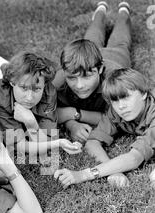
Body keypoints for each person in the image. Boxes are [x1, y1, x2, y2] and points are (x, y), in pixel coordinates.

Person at [54, 68, 155, 188]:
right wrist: (114, 170)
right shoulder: (116, 111)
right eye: (115, 100)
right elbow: (92, 142)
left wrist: (82, 175)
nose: (121, 106)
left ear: (144, 94)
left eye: (126, 97)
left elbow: (134, 158)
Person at [54, 1, 132, 144]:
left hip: (115, 55)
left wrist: (75, 114)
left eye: (87, 77)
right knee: (92, 37)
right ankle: (101, 11)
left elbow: (116, 118)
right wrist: (72, 125)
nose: (79, 85)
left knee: (121, 41)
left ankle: (123, 12)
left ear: (100, 69)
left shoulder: (116, 80)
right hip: (87, 58)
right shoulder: (58, 80)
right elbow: (45, 111)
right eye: (72, 78)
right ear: (65, 72)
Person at [0, 51, 82, 156]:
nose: (29, 97)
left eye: (37, 89)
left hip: (18, 74)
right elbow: (20, 146)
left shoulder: (48, 92)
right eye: (24, 88)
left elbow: (46, 140)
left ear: (45, 84)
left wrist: (31, 123)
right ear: (12, 82)